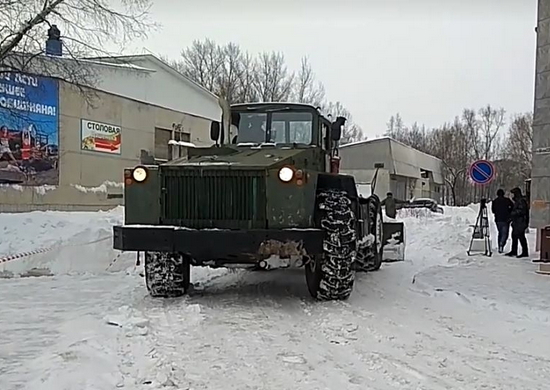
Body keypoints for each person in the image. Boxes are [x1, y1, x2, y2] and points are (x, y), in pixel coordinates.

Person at [505, 187, 529, 258]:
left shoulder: (521, 201)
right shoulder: (517, 201)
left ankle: (525, 252)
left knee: (521, 237)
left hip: (521, 222)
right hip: (516, 222)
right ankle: (514, 250)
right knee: (514, 236)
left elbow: (522, 211)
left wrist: (512, 213)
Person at [491, 189, 513, 253]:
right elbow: (512, 207)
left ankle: (500, 245)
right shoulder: (507, 201)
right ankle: (501, 245)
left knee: (500, 233)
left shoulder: (495, 201)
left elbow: (493, 210)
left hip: (498, 219)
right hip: (506, 219)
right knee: (505, 234)